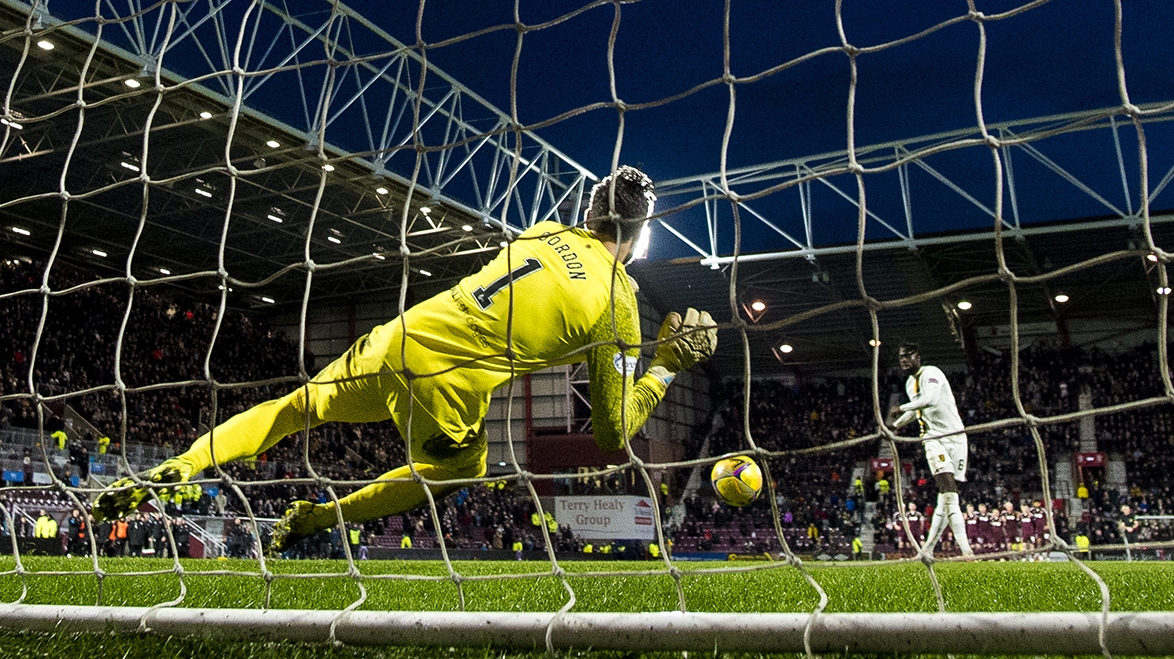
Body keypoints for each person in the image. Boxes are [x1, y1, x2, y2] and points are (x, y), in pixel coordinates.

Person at [91, 166, 718, 554]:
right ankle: (323, 517)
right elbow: (612, 431)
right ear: (638, 237)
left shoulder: (539, 231)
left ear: (587, 212)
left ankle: (187, 461)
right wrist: (662, 366)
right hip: (446, 384)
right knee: (457, 466)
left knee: (298, 406)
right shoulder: (617, 301)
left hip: (402, 335)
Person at [889, 342, 974, 558]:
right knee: (949, 493)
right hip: (933, 439)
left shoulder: (931, 373)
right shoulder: (910, 383)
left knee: (946, 498)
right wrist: (896, 425)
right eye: (900, 358)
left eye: (908, 356)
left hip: (957, 438)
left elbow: (931, 399)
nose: (904, 361)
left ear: (918, 356)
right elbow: (918, 408)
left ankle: (927, 550)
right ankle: (967, 552)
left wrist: (901, 408)